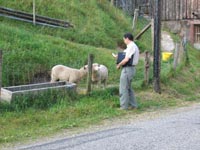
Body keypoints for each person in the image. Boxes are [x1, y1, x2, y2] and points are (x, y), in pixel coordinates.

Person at [114, 33, 140, 110]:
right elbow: (124, 55)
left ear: (127, 38)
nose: (124, 41)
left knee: (123, 88)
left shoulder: (131, 46)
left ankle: (124, 106)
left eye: (124, 39)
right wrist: (117, 57)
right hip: (130, 69)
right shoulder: (132, 46)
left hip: (127, 69)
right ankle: (133, 105)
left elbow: (126, 59)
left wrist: (119, 64)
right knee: (128, 88)